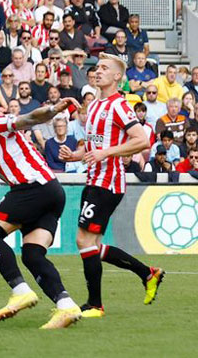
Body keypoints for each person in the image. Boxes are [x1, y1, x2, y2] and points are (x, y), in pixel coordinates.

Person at [0, 86, 82, 328]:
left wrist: (54, 109)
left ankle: (20, 291)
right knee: (32, 255)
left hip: (32, 186)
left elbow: (30, 118)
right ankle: (67, 306)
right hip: (51, 191)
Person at [58, 53, 164, 318]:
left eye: (105, 68)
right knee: (92, 244)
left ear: (118, 76)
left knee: (83, 240)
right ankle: (148, 274)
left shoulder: (119, 105)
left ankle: (95, 305)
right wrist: (76, 156)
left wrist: (107, 153)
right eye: (97, 68)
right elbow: (95, 147)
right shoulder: (94, 106)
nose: (99, 71)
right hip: (93, 178)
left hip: (108, 181)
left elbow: (142, 140)